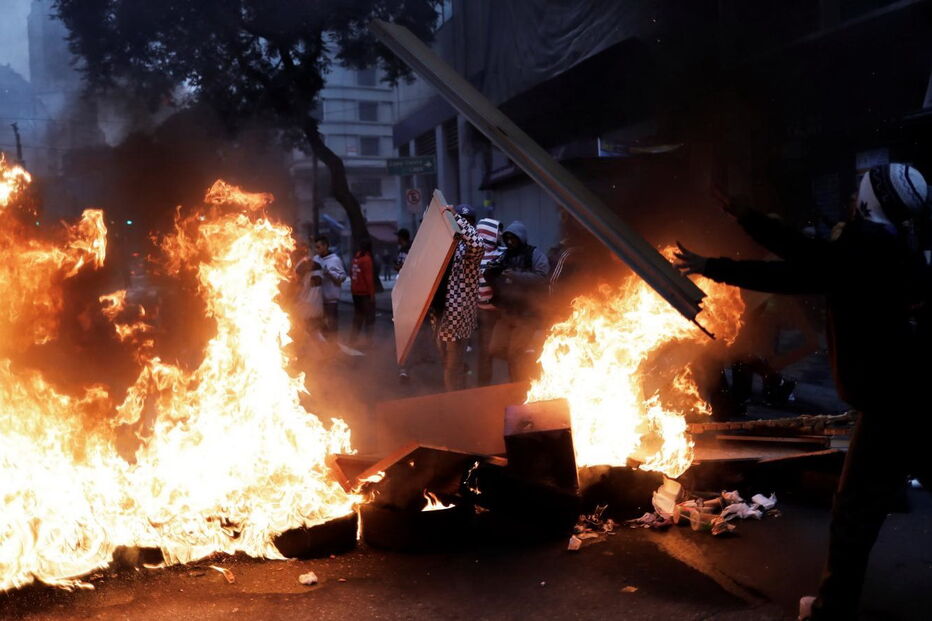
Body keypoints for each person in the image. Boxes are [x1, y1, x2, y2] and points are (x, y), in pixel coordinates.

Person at [673, 163, 930, 621]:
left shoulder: (862, 250)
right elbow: (806, 253)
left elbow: (792, 268)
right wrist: (746, 216)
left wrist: (713, 266)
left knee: (853, 513)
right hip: (913, 391)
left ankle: (831, 611)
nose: (853, 196)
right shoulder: (897, 247)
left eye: (861, 190)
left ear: (872, 200)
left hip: (893, 402)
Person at [484, 220, 550, 382]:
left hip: (527, 314)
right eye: (507, 239)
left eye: (513, 238)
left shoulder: (534, 255)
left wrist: (516, 276)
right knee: (495, 348)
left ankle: (519, 384)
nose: (510, 242)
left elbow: (543, 277)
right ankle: (525, 366)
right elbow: (492, 277)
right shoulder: (505, 256)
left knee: (515, 353)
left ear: (521, 238)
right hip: (507, 313)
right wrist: (491, 272)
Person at [430, 204, 483, 391]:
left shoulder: (469, 248)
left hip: (458, 314)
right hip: (441, 311)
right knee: (446, 358)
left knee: (452, 362)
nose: (462, 224)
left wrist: (457, 217)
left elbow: (477, 244)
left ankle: (454, 398)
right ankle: (457, 385)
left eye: (467, 221)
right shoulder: (448, 243)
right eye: (461, 219)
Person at [476, 217, 504, 386]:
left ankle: (486, 383)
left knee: (499, 347)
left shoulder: (500, 251)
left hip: (499, 309)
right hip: (487, 312)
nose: (500, 234)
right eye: (496, 231)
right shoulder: (481, 256)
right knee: (486, 349)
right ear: (488, 233)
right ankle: (484, 385)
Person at [313, 235, 346, 338]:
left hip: (331, 300)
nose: (317, 250)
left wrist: (329, 273)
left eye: (319, 247)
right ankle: (324, 350)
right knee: (320, 327)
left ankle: (333, 348)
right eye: (316, 247)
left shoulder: (335, 260)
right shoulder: (315, 259)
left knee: (331, 326)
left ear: (326, 246)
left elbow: (342, 278)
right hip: (318, 300)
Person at [350, 239, 376, 347]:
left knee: (358, 316)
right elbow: (368, 278)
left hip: (355, 292)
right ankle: (369, 341)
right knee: (369, 317)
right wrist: (372, 294)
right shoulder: (366, 260)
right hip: (364, 292)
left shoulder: (356, 258)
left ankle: (352, 339)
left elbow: (351, 273)